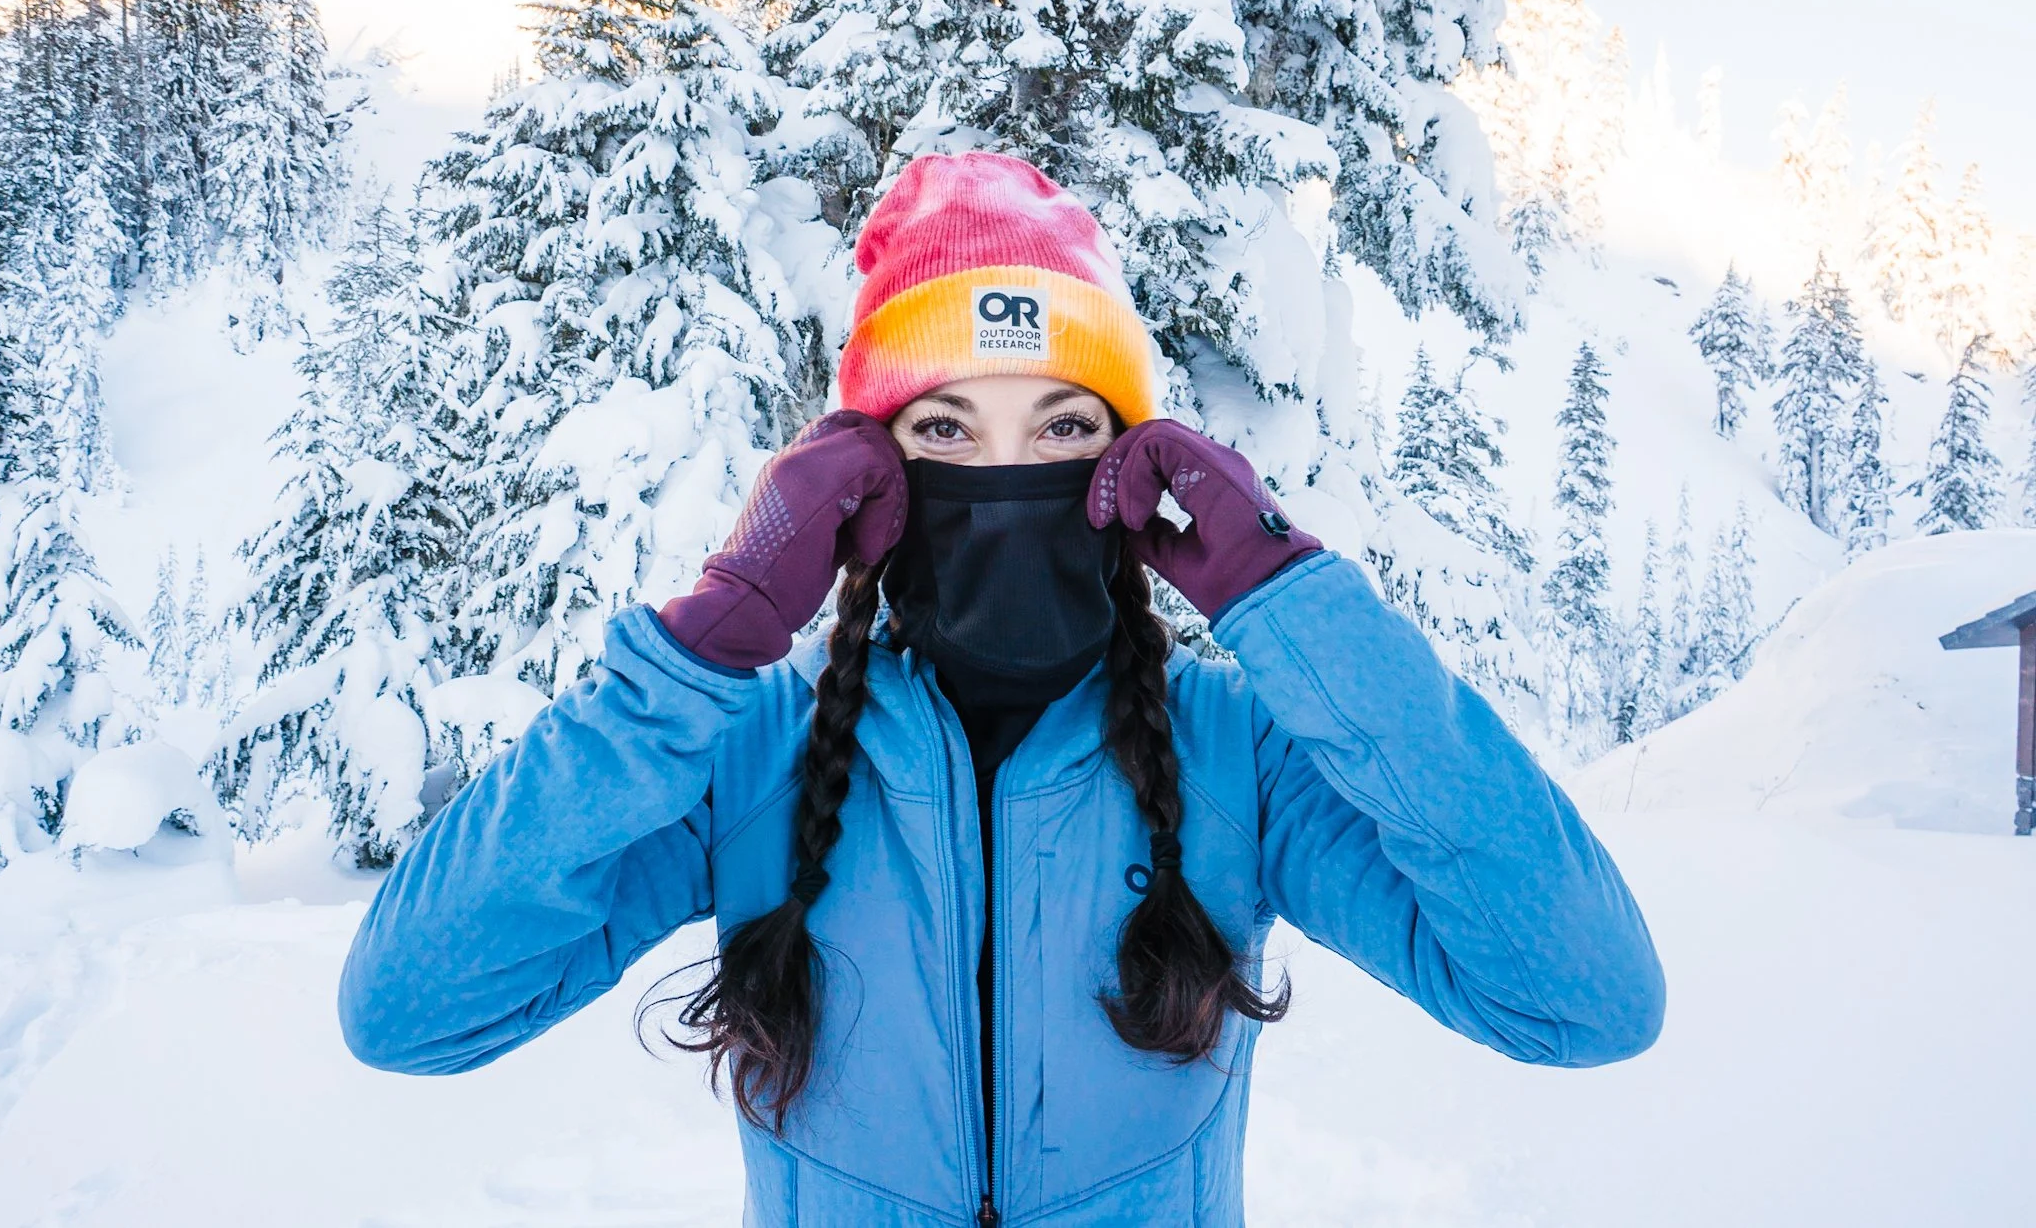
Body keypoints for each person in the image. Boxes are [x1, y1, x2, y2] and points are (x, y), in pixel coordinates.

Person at [339, 152, 1665, 1226]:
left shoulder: (1233, 759)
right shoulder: (750, 754)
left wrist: (1284, 596)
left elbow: (1583, 997)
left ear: (1126, 470)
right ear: (869, 481)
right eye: (947, 432)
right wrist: (705, 645)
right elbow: (409, 1009)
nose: (1004, 473)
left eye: (1064, 428)